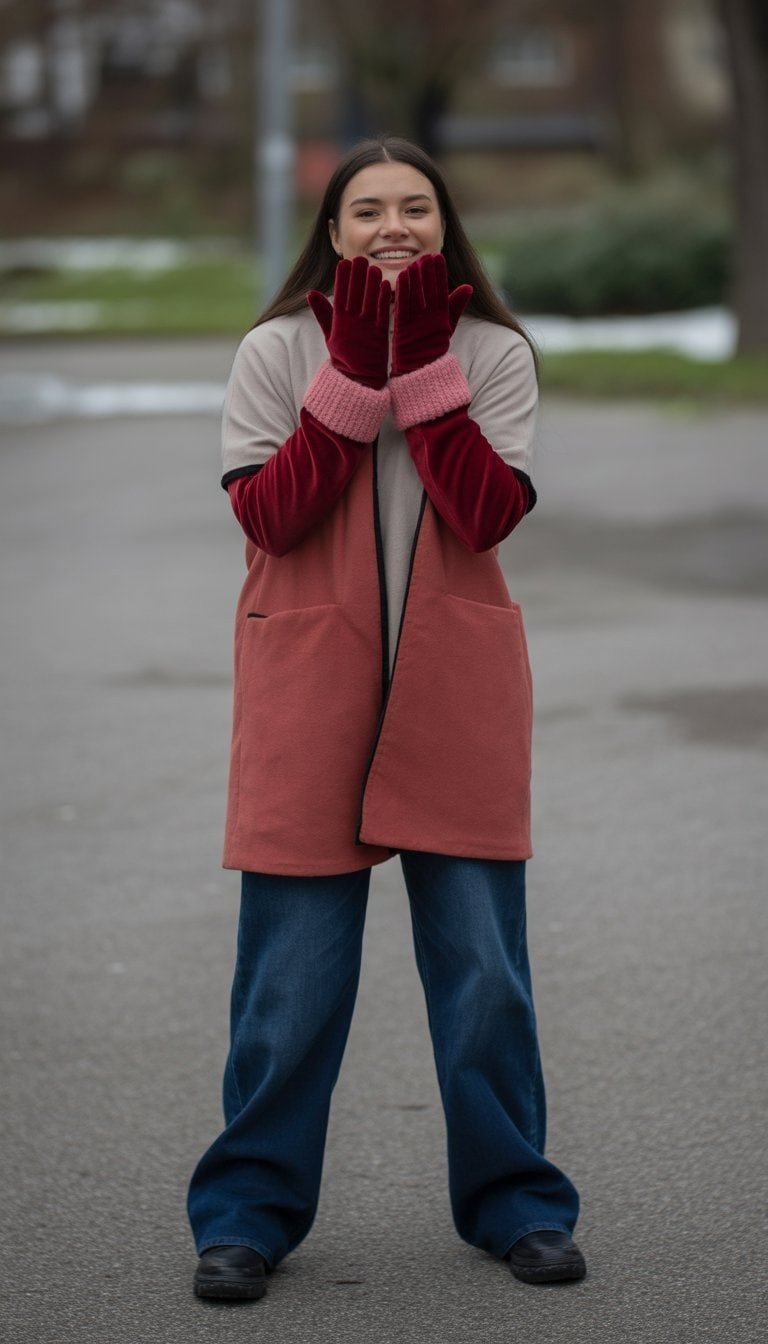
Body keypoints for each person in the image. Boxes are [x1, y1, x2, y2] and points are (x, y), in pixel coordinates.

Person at [187, 135, 586, 1301]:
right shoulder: (276, 351)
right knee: (289, 990)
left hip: (455, 693)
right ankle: (246, 1215)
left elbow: (484, 512)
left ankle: (518, 1204)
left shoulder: (494, 352)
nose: (395, 225)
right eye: (369, 210)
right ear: (333, 230)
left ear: (447, 225)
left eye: (417, 206)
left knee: (484, 980)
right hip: (308, 695)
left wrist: (420, 376)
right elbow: (268, 514)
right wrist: (350, 376)